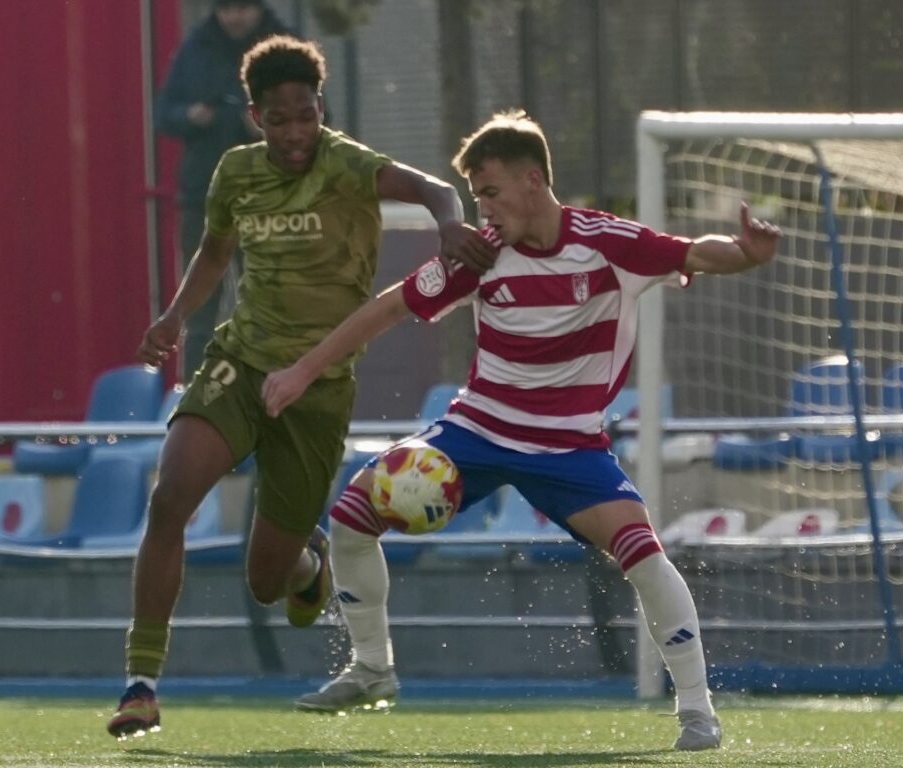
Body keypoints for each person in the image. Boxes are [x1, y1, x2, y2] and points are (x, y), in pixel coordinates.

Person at [260, 111, 781, 751]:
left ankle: (697, 711)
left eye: (490, 192)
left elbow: (694, 251)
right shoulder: (479, 255)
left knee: (643, 554)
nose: (483, 208)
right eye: (476, 196)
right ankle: (372, 669)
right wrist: (303, 370)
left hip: (568, 445)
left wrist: (747, 254)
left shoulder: (608, 242)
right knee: (349, 516)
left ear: (533, 181)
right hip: (476, 430)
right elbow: (389, 306)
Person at [106, 35, 497, 739]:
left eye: (306, 116)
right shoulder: (235, 172)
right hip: (242, 363)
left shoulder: (348, 164)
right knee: (169, 499)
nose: (294, 133)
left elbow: (437, 189)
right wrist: (175, 316)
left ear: (321, 109)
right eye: (279, 120)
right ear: (255, 117)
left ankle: (307, 563)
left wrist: (449, 226)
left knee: (267, 581)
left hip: (318, 384)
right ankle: (141, 684)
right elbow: (215, 252)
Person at [156, 0, 294, 381]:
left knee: (269, 308)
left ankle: (270, 390)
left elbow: (319, 118)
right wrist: (190, 116)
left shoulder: (284, 47)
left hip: (267, 201)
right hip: (203, 197)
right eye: (226, 9)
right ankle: (196, 392)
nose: (235, 17)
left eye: (243, 8)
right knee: (197, 310)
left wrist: (269, 125)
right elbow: (164, 112)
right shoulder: (196, 48)